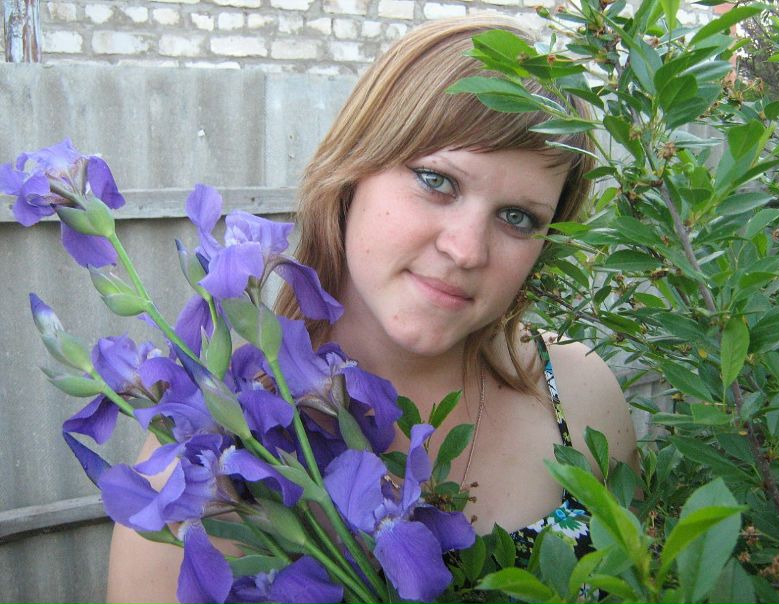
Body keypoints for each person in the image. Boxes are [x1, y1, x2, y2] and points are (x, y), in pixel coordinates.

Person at [106, 14, 637, 603]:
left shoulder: (581, 396)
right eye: (437, 181)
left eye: (518, 217)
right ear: (352, 170)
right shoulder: (206, 463)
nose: (466, 250)